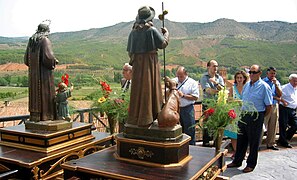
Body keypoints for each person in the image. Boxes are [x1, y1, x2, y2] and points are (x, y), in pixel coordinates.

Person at [126, 6, 169, 127]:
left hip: (138, 65)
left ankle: (136, 117)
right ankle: (148, 117)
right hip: (150, 64)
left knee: (139, 89)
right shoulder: (151, 30)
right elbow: (163, 44)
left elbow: (130, 51)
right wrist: (166, 34)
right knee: (149, 88)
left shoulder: (133, 32)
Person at [227, 65, 273, 173]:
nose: (251, 74)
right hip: (244, 114)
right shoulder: (247, 85)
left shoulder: (264, 87)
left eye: (254, 72)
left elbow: (269, 106)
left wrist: (260, 117)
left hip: (256, 115)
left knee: (253, 142)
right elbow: (243, 100)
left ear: (259, 73)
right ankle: (237, 161)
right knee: (241, 139)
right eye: (250, 72)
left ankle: (251, 164)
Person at [24, 21, 59, 122]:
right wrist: (54, 61)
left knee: (35, 96)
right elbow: (48, 58)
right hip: (44, 76)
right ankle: (47, 117)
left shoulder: (31, 41)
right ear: (45, 31)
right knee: (46, 94)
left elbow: (26, 60)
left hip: (33, 76)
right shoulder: (45, 40)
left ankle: (35, 117)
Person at [200, 60, 224, 146]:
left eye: (217, 66)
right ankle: (206, 143)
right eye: (214, 66)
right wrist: (218, 89)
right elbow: (208, 91)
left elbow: (223, 89)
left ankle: (216, 144)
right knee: (207, 125)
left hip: (218, 105)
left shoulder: (219, 78)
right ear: (208, 67)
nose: (216, 68)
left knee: (217, 124)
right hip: (208, 105)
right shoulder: (204, 78)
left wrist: (215, 83)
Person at [172, 66, 199, 145]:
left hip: (188, 109)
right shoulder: (174, 81)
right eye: (178, 76)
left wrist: (183, 95)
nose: (179, 78)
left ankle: (191, 148)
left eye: (181, 76)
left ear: (186, 74)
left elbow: (195, 97)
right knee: (178, 131)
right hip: (176, 110)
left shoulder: (193, 83)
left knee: (189, 130)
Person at [224, 70, 249, 157]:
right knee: (234, 134)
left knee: (244, 133)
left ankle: (244, 152)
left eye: (240, 78)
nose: (239, 79)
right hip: (235, 113)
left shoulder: (247, 88)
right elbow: (228, 100)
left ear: (244, 78)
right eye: (237, 78)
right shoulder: (232, 88)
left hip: (245, 112)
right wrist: (235, 101)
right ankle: (237, 151)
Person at [261, 67, 282, 150]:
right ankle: (257, 144)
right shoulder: (263, 82)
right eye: (271, 73)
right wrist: (275, 97)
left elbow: (280, 94)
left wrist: (276, 85)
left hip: (274, 106)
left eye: (274, 73)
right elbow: (263, 95)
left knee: (273, 125)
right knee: (263, 125)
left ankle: (271, 143)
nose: (272, 75)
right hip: (265, 105)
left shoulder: (276, 83)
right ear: (267, 73)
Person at [277, 74, 297, 148]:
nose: (295, 83)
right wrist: (282, 101)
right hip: (285, 108)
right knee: (283, 125)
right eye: (294, 81)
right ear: (290, 80)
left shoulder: (296, 88)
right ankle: (284, 141)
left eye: (296, 81)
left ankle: (283, 138)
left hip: (293, 109)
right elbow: (278, 96)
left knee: (295, 124)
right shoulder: (284, 87)